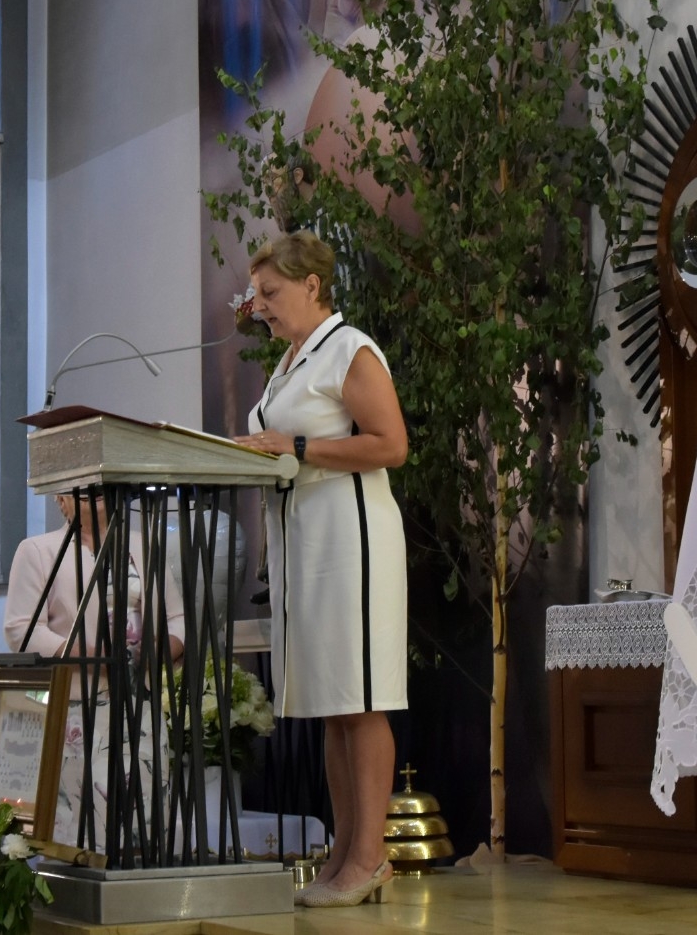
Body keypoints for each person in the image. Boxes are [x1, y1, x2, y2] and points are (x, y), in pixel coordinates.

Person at [232, 230, 408, 908]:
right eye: (256, 295)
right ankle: (343, 851)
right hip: (303, 543)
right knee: (333, 706)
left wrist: (297, 446)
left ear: (312, 285)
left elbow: (391, 444)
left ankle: (370, 856)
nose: (260, 307)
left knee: (359, 700)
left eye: (270, 293)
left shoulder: (348, 348)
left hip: (350, 540)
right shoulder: (288, 363)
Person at [3, 493, 186, 851]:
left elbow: (177, 619)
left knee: (143, 823)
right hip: (77, 708)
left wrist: (156, 651)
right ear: (61, 499)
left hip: (139, 705)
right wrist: (93, 657)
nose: (93, 491)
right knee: (85, 828)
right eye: (80, 486)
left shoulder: (144, 545)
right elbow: (22, 630)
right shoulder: (38, 550)